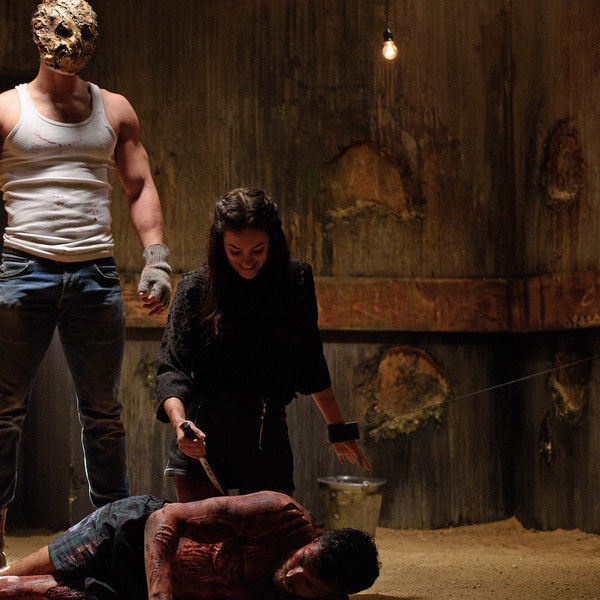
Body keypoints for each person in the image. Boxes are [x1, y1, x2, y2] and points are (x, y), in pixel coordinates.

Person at [0, 0, 172, 565]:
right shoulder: (6, 109)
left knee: (103, 414)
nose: (70, 42)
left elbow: (139, 184)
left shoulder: (114, 109)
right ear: (39, 34)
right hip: (23, 268)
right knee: (4, 411)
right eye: (61, 30)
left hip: (94, 273)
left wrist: (157, 258)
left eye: (83, 32)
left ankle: (114, 540)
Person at [156, 187, 370, 502]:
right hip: (202, 434)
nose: (247, 261)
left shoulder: (294, 282)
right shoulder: (195, 288)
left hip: (266, 430)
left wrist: (338, 429)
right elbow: (171, 366)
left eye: (258, 250)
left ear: (273, 240)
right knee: (204, 532)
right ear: (220, 244)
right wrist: (179, 423)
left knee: (271, 531)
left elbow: (310, 361)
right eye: (235, 251)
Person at [0, 491, 380, 600]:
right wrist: (160, 594)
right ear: (313, 541)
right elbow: (163, 518)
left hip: (134, 590)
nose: (292, 573)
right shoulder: (279, 515)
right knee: (14, 573)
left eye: (309, 584)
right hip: (127, 534)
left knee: (13, 592)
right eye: (301, 560)